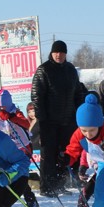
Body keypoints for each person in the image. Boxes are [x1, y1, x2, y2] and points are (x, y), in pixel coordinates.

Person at [31, 40, 86, 197]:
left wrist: (79, 113)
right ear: (52, 53)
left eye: (62, 53)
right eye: (56, 52)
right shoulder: (44, 70)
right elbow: (37, 96)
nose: (59, 55)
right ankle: (46, 186)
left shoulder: (70, 70)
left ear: (65, 54)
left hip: (68, 120)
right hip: (49, 120)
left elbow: (78, 93)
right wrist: (42, 119)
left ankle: (59, 184)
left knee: (64, 154)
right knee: (48, 154)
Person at [0, 89, 39, 207]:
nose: (0, 110)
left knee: (19, 175)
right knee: (7, 175)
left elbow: (25, 123)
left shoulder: (15, 112)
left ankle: (31, 201)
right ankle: (5, 203)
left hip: (23, 147)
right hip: (8, 149)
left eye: (2, 107)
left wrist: (11, 117)